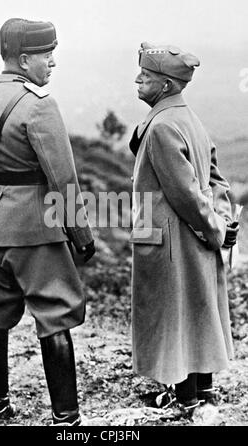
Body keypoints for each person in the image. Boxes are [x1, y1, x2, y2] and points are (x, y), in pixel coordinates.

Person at [0, 18, 95, 426]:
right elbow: (63, 177)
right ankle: (66, 420)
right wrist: (81, 236)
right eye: (46, 55)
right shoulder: (39, 105)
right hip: (36, 227)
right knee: (55, 314)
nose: (52, 63)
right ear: (24, 59)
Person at [129, 42, 238, 412]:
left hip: (173, 239)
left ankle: (186, 398)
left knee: (174, 317)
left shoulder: (161, 126)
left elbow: (186, 194)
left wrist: (216, 229)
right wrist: (222, 221)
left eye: (146, 76)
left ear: (166, 86)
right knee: (197, 311)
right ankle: (201, 393)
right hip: (193, 236)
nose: (138, 80)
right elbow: (216, 180)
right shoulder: (189, 119)